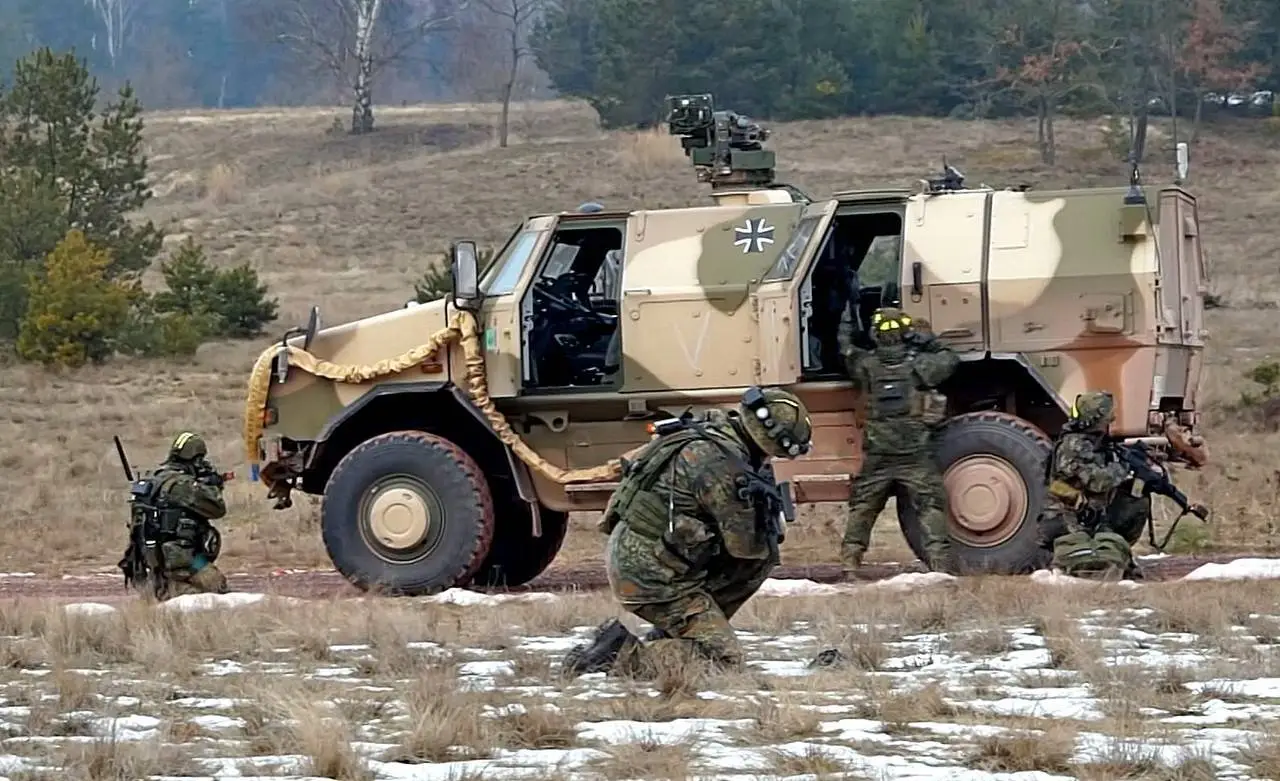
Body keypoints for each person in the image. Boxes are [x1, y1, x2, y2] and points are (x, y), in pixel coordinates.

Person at [561, 387, 813, 677]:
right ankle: (619, 657)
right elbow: (745, 546)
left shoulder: (713, 432)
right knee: (722, 661)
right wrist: (769, 522)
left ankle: (673, 636)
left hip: (648, 558)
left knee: (757, 564)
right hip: (649, 574)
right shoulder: (720, 466)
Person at [837, 306, 959, 576]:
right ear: (905, 333)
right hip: (914, 453)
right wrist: (927, 339)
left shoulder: (866, 366)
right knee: (930, 507)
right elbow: (950, 358)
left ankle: (850, 564)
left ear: (876, 335)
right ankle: (941, 567)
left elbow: (845, 348)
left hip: (878, 454)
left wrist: (847, 320)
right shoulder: (920, 366)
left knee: (863, 507)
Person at [118, 432, 230, 600]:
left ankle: (161, 587)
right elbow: (217, 509)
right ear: (196, 459)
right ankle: (173, 589)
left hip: (150, 561)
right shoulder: (182, 485)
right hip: (184, 561)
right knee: (217, 586)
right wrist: (212, 486)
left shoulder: (154, 481)